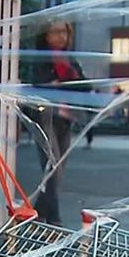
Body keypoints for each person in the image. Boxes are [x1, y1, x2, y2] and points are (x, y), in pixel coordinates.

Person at [29, 19, 85, 226]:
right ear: (46, 35)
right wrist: (56, 84)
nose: (62, 36)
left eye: (65, 32)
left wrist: (63, 84)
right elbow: (36, 86)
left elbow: (83, 85)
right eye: (57, 32)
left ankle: (38, 212)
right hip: (45, 119)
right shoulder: (40, 59)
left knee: (57, 171)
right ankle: (54, 218)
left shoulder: (69, 59)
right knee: (52, 168)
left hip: (65, 119)